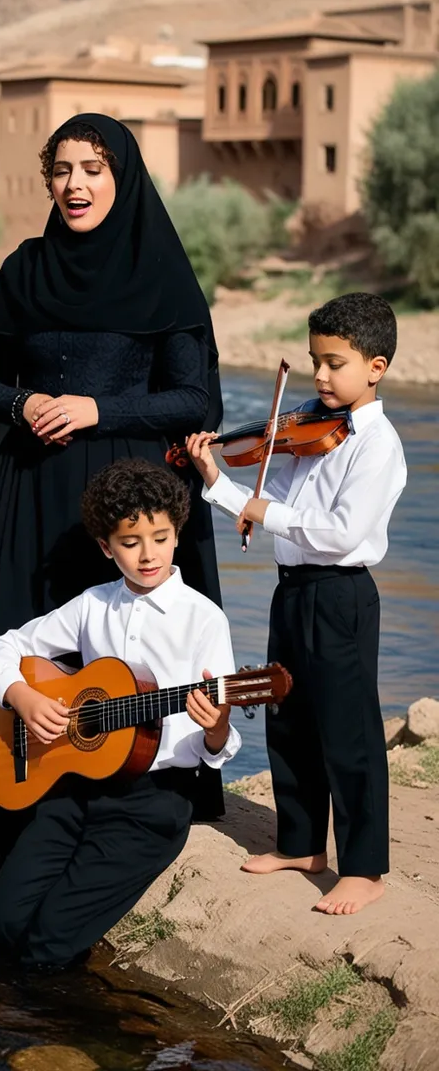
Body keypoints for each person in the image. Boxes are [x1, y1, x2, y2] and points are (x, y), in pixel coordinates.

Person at [0, 113, 224, 879]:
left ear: (121, 176)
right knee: (23, 644)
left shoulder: (162, 274)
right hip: (28, 495)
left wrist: (97, 410)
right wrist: (22, 405)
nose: (76, 185)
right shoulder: (24, 269)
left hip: (126, 500)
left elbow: (193, 400)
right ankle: (1, 815)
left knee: (123, 662)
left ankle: (123, 798)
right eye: (62, 170)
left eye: (93, 169)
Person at [187, 292, 407, 916]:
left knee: (349, 731)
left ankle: (365, 868)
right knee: (287, 716)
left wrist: (260, 510)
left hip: (341, 595)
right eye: (314, 361)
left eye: (335, 363)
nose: (319, 376)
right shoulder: (309, 427)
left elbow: (338, 530)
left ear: (377, 366)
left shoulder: (377, 444)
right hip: (293, 593)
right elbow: (271, 489)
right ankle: (303, 844)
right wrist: (216, 480)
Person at [0, 458, 241, 967]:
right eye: (130, 542)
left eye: (160, 538)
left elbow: (217, 747)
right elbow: (1, 649)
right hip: (74, 789)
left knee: (46, 946)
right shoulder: (91, 605)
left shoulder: (203, 619)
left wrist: (218, 727)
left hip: (151, 808)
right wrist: (23, 698)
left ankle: (45, 1041)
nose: (148, 555)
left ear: (177, 535)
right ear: (106, 547)